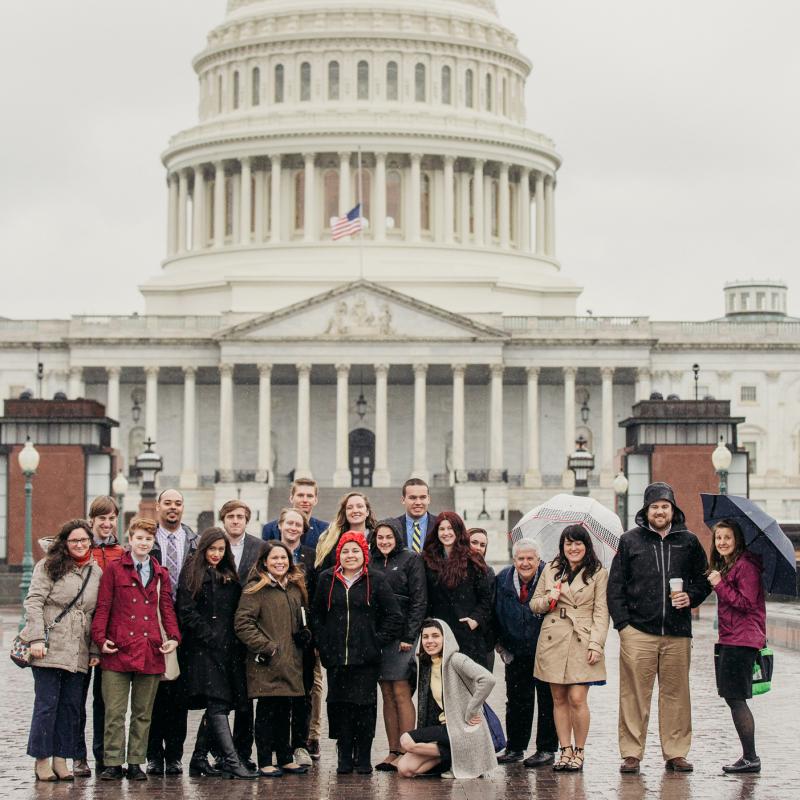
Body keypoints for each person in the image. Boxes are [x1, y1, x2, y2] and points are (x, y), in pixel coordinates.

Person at [608, 481, 711, 774]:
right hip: (638, 631)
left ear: (673, 509)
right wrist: (623, 626)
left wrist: (690, 596)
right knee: (633, 695)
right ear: (646, 511)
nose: (660, 511)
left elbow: (703, 580)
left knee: (676, 695)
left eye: (665, 506)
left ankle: (676, 752)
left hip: (677, 632)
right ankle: (631, 753)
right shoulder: (630, 541)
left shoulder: (688, 541)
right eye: (655, 507)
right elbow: (615, 586)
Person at [91, 517, 180, 781]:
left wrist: (174, 636)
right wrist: (99, 637)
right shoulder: (115, 569)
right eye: (139, 537)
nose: (143, 542)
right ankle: (113, 762)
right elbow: (104, 605)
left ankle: (136, 762)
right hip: (118, 648)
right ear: (130, 540)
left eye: (148, 539)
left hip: (150, 648)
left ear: (153, 543)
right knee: (115, 712)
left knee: (143, 712)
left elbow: (166, 609)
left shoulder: (160, 573)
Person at [310, 532, 402, 775]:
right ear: (339, 554)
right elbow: (316, 615)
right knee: (340, 705)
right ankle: (344, 753)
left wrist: (375, 641)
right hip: (337, 656)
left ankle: (362, 755)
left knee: (364, 707)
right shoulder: (327, 579)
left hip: (366, 659)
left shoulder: (377, 580)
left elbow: (393, 616)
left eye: (355, 551)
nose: (350, 555)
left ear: (364, 554)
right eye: (346, 551)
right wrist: (324, 642)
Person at [23, 519, 102, 782]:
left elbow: (95, 613)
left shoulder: (96, 571)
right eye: (74, 541)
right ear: (65, 543)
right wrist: (36, 638)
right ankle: (42, 759)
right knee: (47, 705)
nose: (79, 545)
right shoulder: (48, 566)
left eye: (84, 540)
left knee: (71, 707)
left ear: (90, 542)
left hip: (78, 651)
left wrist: (94, 650)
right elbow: (34, 601)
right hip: (49, 647)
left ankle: (61, 758)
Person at [176, 528, 256, 779]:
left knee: (222, 702)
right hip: (203, 649)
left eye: (221, 550)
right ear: (204, 549)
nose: (216, 554)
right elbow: (186, 610)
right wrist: (210, 636)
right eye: (212, 549)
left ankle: (199, 758)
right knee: (217, 702)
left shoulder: (228, 574)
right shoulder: (193, 572)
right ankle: (231, 760)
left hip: (229, 649)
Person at [530, 525, 609, 772]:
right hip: (553, 637)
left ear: (586, 546)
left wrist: (596, 644)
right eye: (568, 544)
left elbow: (601, 611)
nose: (573, 548)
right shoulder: (551, 569)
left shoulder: (598, 573)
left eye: (578, 543)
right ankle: (564, 749)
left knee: (577, 698)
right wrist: (550, 598)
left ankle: (579, 750)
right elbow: (535, 604)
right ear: (562, 546)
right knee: (558, 698)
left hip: (582, 638)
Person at [235, 541, 311, 777]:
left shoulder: (295, 588)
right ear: (264, 562)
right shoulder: (256, 589)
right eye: (275, 558)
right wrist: (267, 646)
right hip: (266, 662)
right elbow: (243, 623)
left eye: (284, 558)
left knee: (284, 711)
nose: (280, 562)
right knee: (266, 712)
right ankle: (265, 760)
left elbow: (301, 618)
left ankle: (285, 757)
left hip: (291, 661)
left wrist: (304, 633)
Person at [396, 619, 497, 780]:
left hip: (459, 726)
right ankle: (452, 756)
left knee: (406, 740)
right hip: (442, 728)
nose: (430, 641)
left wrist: (471, 710)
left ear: (446, 638)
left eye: (435, 636)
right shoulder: (425, 664)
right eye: (426, 637)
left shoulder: (456, 659)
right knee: (405, 769)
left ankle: (462, 751)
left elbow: (487, 679)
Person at [707, 519, 766, 774]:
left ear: (737, 539)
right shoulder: (731, 565)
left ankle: (751, 757)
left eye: (727, 538)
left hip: (742, 640)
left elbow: (745, 603)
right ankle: (749, 756)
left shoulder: (746, 565)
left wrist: (720, 584)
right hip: (732, 638)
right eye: (718, 538)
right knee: (734, 698)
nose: (722, 542)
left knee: (736, 698)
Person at [369, 518, 428, 771]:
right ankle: (393, 750)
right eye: (379, 538)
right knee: (386, 692)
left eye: (388, 538)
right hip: (378, 634)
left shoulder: (410, 559)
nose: (384, 542)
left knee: (402, 691)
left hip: (402, 635)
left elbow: (419, 600)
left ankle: (408, 749)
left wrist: (410, 635)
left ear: (397, 539)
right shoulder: (369, 560)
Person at [493, 538, 557, 768]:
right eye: (521, 558)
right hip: (515, 650)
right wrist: (500, 644)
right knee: (517, 700)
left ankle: (547, 749)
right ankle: (515, 747)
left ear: (538, 560)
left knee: (548, 701)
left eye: (531, 558)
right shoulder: (502, 579)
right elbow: (494, 611)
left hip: (545, 650)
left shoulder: (551, 576)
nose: (526, 563)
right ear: (514, 559)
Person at [146, 489, 197, 776]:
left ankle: (175, 754)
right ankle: (154, 754)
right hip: (153, 621)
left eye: (178, 503)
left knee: (179, 693)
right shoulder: (147, 540)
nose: (173, 508)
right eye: (168, 503)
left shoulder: (194, 541)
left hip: (184, 622)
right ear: (158, 507)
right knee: (153, 692)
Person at [75, 496, 125, 777]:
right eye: (101, 518)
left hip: (109, 637)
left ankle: (105, 756)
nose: (106, 524)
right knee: (76, 699)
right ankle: (78, 756)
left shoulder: (121, 551)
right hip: (81, 635)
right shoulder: (82, 548)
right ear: (92, 520)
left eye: (111, 518)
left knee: (106, 700)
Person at [219, 499, 265, 770]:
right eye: (230, 516)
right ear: (223, 519)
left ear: (247, 520)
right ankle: (220, 752)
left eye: (240, 517)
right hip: (220, 632)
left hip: (248, 631)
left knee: (247, 699)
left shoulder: (260, 548)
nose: (235, 521)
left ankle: (243, 752)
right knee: (220, 698)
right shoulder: (213, 546)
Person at [422, 512, 494, 667]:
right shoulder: (427, 559)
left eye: (450, 528)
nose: (446, 533)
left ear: (459, 531)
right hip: (438, 631)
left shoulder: (473, 559)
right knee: (440, 686)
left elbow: (485, 598)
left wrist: (475, 620)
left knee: (467, 685)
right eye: (442, 529)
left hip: (467, 632)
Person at [278, 507, 317, 766]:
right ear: (280, 525)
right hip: (276, 631)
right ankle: (278, 744)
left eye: (298, 524)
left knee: (304, 691)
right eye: (288, 523)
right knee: (278, 692)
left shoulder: (311, 557)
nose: (293, 528)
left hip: (304, 635)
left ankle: (300, 744)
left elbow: (316, 594)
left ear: (304, 529)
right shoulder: (271, 552)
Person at [314, 491, 377, 573]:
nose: (355, 510)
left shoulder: (377, 538)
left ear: (367, 512)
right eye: (350, 507)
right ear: (345, 513)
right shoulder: (333, 540)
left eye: (359, 506)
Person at [262, 478, 329, 548]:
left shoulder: (324, 529)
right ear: (291, 498)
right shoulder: (270, 529)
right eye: (300, 495)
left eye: (309, 496)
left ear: (315, 500)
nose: (305, 500)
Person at [468, 527, 497, 669]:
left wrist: (476, 619)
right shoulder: (452, 570)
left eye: (482, 545)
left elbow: (489, 606)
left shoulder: (488, 572)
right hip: (458, 638)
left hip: (483, 642)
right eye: (474, 542)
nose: (478, 548)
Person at [394, 478, 435, 553]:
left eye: (422, 497)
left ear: (428, 499)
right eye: (412, 498)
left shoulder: (440, 524)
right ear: (403, 500)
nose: (418, 502)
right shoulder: (393, 526)